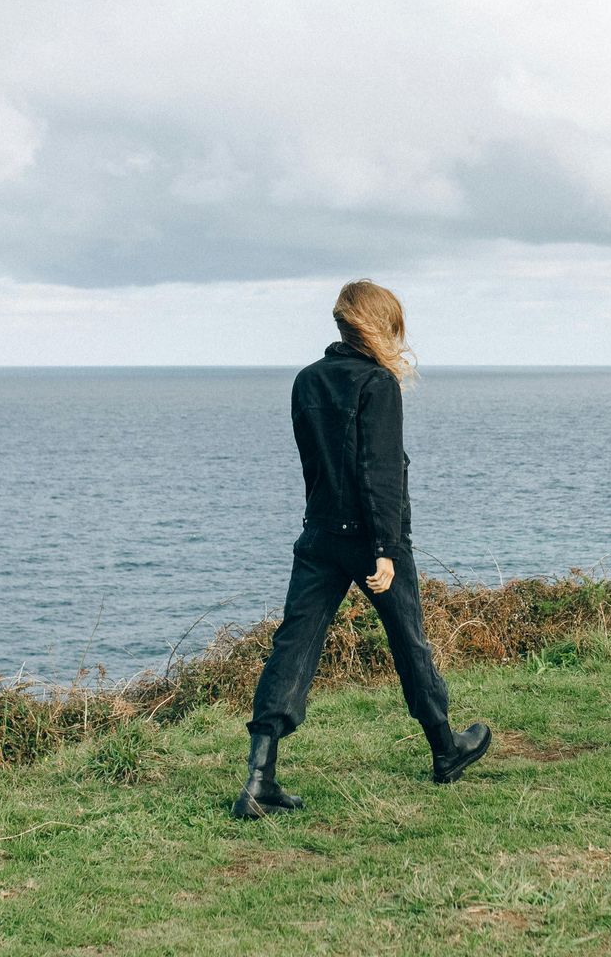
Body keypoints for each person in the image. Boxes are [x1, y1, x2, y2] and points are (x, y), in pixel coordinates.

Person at [233, 279, 491, 819]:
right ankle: (446, 751)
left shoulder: (306, 381)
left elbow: (316, 467)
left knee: (293, 647)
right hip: (374, 540)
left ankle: (260, 780)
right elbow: (378, 471)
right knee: (409, 642)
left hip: (319, 536)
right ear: (377, 325)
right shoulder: (379, 384)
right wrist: (385, 549)